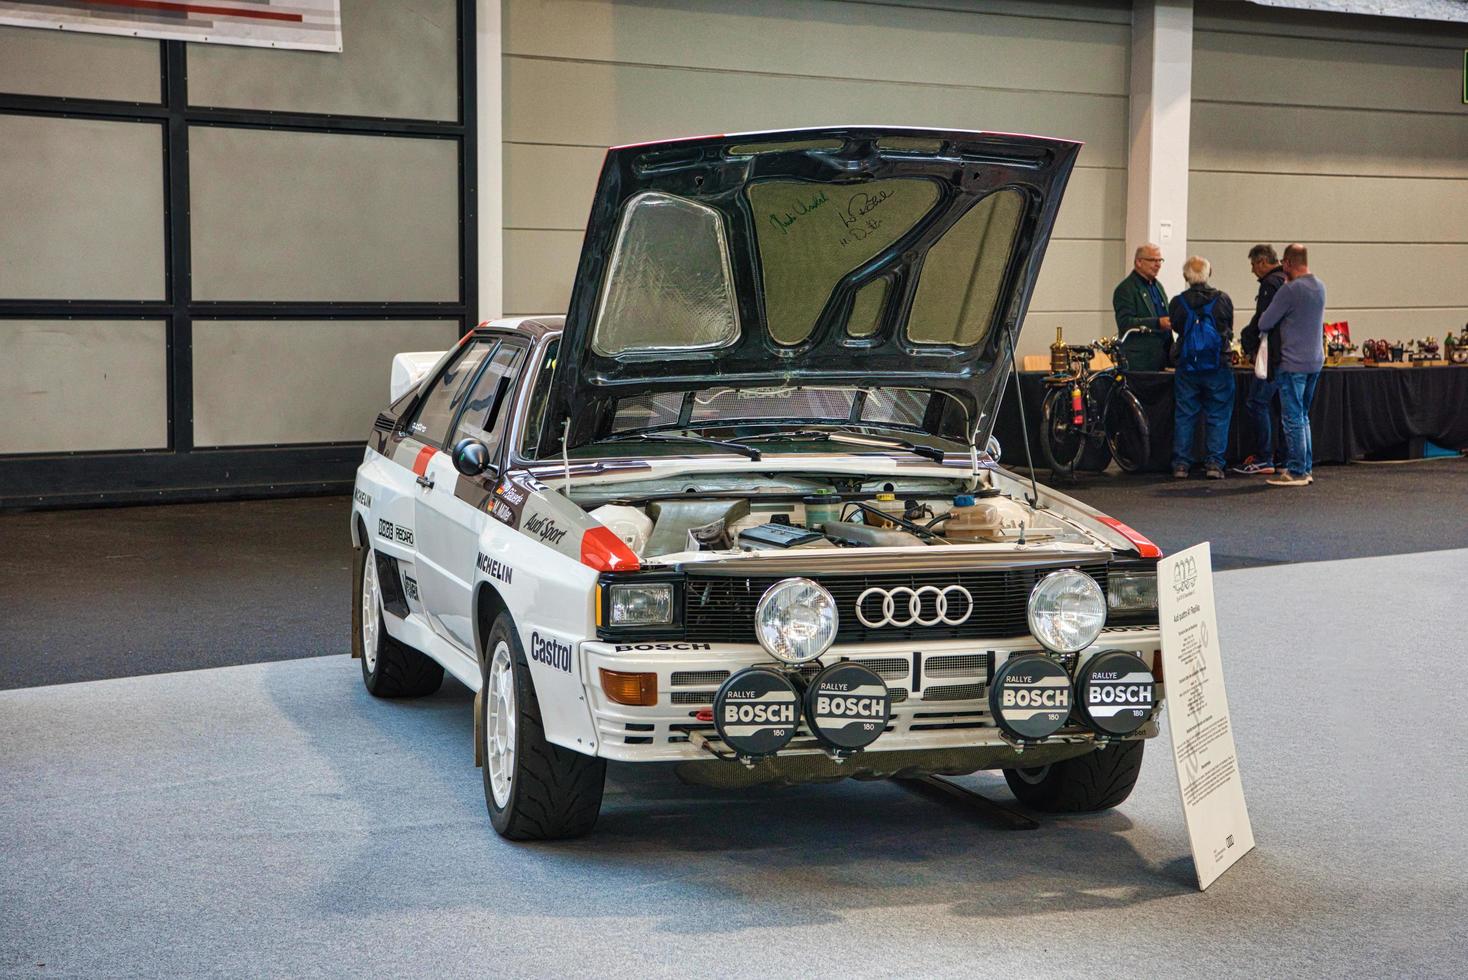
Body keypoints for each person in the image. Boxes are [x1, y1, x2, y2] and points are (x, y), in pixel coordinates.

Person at [1258, 243, 1326, 487]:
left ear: (1286, 263)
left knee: (1293, 418)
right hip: (1315, 362)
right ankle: (1305, 468)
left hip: (1292, 362)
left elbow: (1265, 322)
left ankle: (1297, 470)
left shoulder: (1290, 290)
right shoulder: (1320, 286)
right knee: (1303, 416)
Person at [1167, 256, 1235, 479]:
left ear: (1186, 276)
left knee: (1185, 415)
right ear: (1209, 273)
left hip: (1188, 366)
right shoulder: (1223, 299)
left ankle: (1181, 465)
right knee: (1218, 414)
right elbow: (1228, 328)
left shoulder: (1178, 303)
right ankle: (1214, 464)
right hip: (1218, 366)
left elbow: (1177, 327)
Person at [1233, 244, 1288, 475]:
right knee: (1286, 410)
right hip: (1290, 355)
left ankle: (1264, 457)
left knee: (1256, 402)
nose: (1253, 270)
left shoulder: (1269, 284)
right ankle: (1285, 459)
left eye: (1253, 265)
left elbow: (1264, 320)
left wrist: (1248, 341)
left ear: (1262, 262)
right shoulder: (1289, 281)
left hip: (1273, 356)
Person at [1112, 244, 1171, 371]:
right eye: (1153, 260)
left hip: (1162, 359)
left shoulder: (1158, 286)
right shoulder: (1126, 289)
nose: (1158, 264)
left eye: (1160, 260)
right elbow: (1125, 323)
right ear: (1139, 262)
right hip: (1140, 362)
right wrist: (1157, 323)